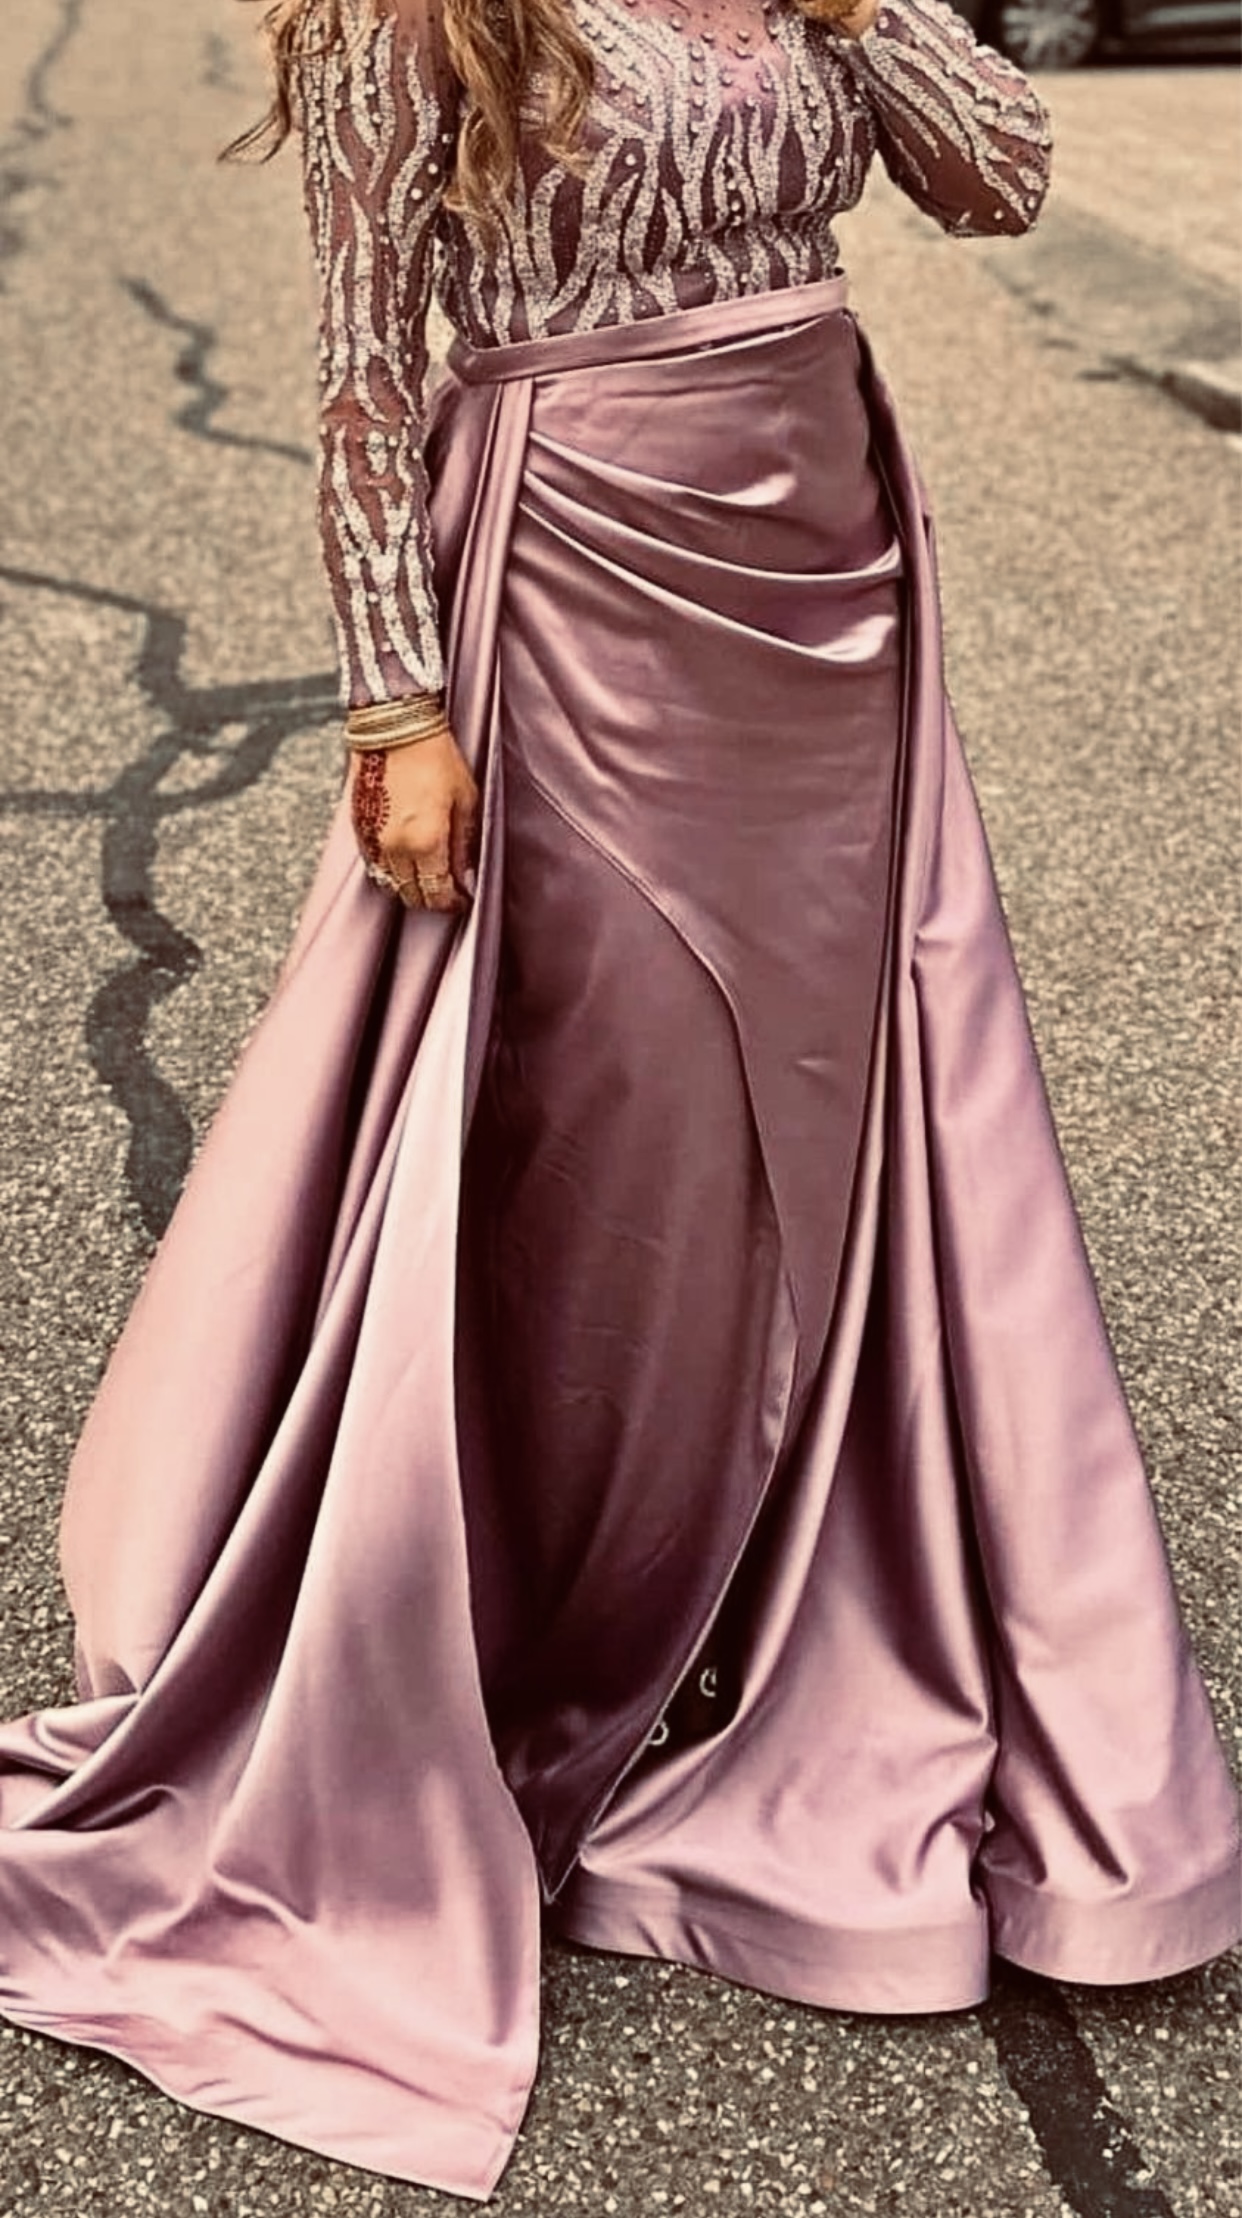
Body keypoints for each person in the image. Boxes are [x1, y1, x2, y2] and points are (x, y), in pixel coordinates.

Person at [0, 0, 1236, 2199]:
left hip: (833, 582)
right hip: (579, 578)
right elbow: (365, 367)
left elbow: (1003, 176)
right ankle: (513, 1623)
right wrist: (395, 700)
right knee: (604, 1131)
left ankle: (810, 1608)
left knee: (858, 1120)